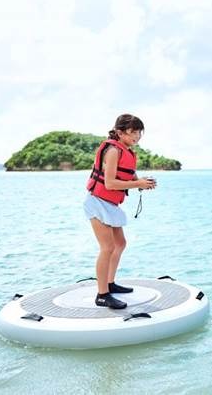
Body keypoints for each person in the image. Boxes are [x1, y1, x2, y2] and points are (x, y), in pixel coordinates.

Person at [84, 114, 156, 309]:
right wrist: (138, 184)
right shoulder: (113, 151)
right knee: (107, 247)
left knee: (120, 244)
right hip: (97, 202)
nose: (137, 136)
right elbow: (109, 183)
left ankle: (110, 283)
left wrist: (143, 182)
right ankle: (102, 295)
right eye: (133, 132)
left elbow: (130, 177)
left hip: (110, 204)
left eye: (139, 132)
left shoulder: (128, 152)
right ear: (120, 132)